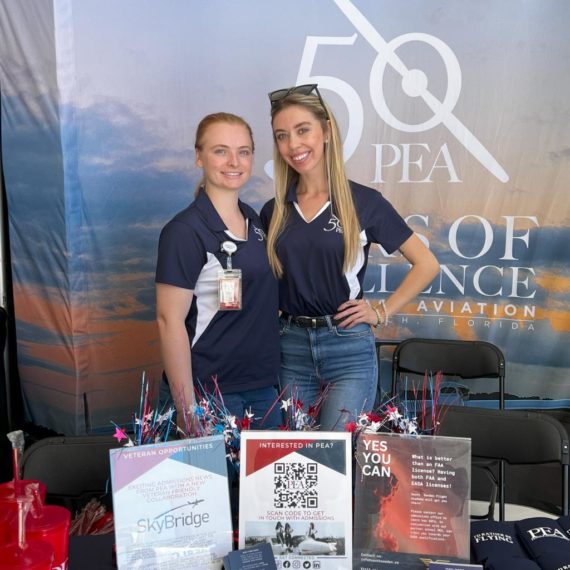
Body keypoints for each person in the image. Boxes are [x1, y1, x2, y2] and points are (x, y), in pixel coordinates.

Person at [261, 84, 440, 431]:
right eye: (282, 136)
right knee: (296, 454)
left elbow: (427, 263)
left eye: (303, 130)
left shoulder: (364, 202)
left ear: (327, 130)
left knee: (335, 452)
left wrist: (380, 311)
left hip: (347, 348)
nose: (293, 145)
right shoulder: (274, 211)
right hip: (291, 349)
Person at [156, 112, 281, 429]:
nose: (234, 162)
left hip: (263, 389)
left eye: (243, 151)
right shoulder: (184, 231)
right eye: (220, 151)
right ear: (199, 157)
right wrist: (186, 409)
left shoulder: (255, 220)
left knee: (272, 466)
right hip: (208, 392)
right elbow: (169, 321)